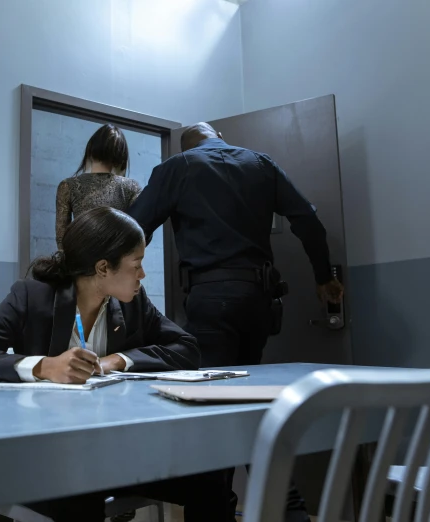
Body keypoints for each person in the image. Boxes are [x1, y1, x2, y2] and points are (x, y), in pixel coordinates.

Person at [0, 207, 229, 522]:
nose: (142, 275)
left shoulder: (132, 303)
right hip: (46, 454)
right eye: (137, 264)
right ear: (103, 267)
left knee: (210, 480)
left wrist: (117, 360)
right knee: (82, 495)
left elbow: (187, 347)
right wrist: (44, 367)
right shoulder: (32, 296)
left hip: (112, 452)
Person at [127, 122, 345, 522]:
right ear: (221, 137)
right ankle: (289, 509)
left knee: (213, 416)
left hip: (211, 302)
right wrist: (323, 277)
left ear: (186, 145)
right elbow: (308, 219)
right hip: (258, 303)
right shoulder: (260, 164)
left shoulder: (178, 167)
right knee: (245, 408)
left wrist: (120, 285)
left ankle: (219, 512)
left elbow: (132, 228)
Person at [55, 123, 141, 250]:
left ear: (90, 149)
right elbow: (140, 233)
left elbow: (62, 238)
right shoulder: (131, 187)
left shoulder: (68, 186)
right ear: (121, 155)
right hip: (118, 261)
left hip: (82, 260)